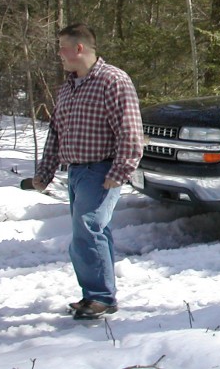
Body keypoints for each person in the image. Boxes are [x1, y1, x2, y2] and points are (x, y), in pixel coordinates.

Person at [33, 23, 144, 320]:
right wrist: (45, 172)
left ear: (79, 48)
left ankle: (100, 298)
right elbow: (56, 132)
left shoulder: (113, 80)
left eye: (62, 48)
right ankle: (96, 295)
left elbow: (130, 132)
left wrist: (119, 172)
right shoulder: (68, 87)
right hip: (77, 173)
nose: (59, 54)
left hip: (102, 170)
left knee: (87, 229)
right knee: (93, 231)